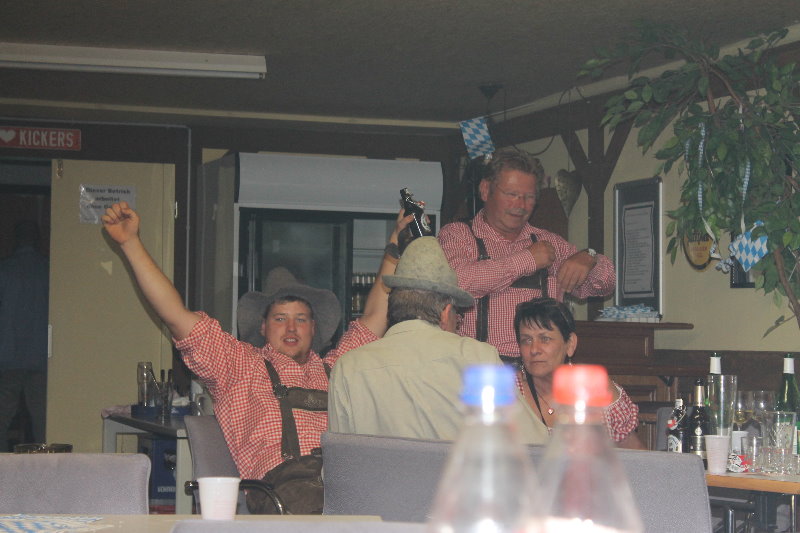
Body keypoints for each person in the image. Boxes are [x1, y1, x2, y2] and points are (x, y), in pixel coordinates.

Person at [102, 201, 411, 513]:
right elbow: (175, 315)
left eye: (301, 319)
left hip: (346, 485)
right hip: (285, 496)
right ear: (263, 327)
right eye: (280, 318)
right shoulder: (240, 365)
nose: (291, 328)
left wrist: (394, 244)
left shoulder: (337, 368)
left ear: (314, 328)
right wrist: (130, 244)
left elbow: (375, 315)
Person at [328, 236, 549, 444]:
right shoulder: (476, 357)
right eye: (457, 317)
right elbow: (532, 442)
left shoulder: (348, 366)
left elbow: (339, 459)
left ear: (393, 307)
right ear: (446, 313)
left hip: (379, 475)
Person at [438, 147, 615, 360]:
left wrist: (590, 258)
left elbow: (605, 284)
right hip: (478, 370)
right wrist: (528, 260)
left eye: (529, 197)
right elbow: (456, 282)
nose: (520, 205)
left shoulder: (549, 243)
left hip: (539, 371)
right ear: (485, 190)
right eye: (511, 194)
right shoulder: (458, 235)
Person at [513, 297, 644, 449]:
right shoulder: (510, 392)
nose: (534, 349)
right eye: (527, 340)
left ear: (570, 344)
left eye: (545, 339)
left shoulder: (596, 388)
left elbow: (635, 453)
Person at [0, 221, 49, 451]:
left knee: (2, 416)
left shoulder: (5, 270)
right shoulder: (47, 270)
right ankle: (44, 463)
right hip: (41, 355)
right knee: (42, 419)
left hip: (8, 355)